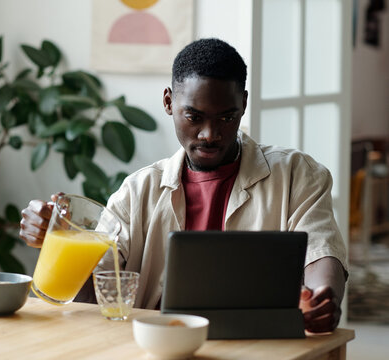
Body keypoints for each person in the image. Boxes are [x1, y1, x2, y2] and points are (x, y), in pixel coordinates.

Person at [19, 38, 347, 334]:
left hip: (259, 346)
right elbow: (95, 293)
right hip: (157, 346)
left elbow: (321, 252)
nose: (209, 134)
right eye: (194, 117)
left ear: (243, 105)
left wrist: (322, 296)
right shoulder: (137, 191)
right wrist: (53, 237)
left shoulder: (296, 175)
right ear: (168, 102)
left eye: (226, 118)